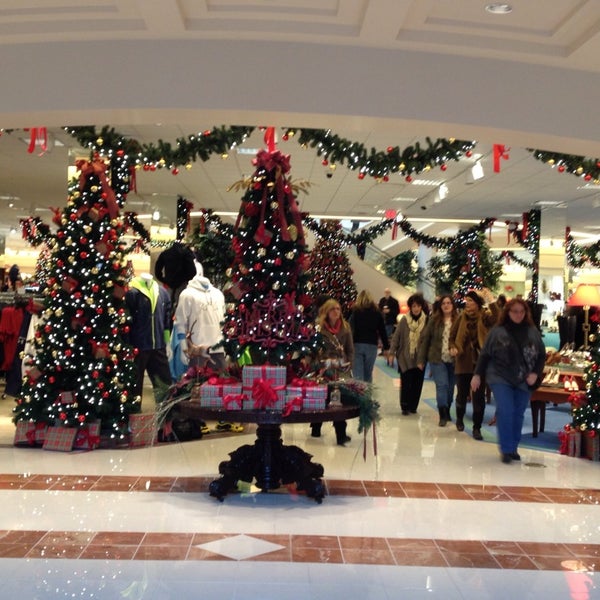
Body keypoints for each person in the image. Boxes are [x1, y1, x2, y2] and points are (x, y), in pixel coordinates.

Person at [471, 298, 545, 463]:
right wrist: (477, 375)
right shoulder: (497, 331)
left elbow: (541, 355)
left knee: (518, 413)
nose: (518, 315)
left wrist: (535, 373)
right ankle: (506, 449)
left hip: (524, 378)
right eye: (515, 311)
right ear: (507, 313)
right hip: (500, 376)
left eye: (521, 311)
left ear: (526, 313)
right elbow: (485, 354)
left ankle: (513, 447)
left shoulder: (532, 331)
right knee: (506, 410)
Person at [448, 290, 497, 439]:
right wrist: (453, 347)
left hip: (480, 362)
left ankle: (477, 427)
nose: (467, 303)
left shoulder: (485, 316)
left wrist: (492, 302)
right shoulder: (461, 317)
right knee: (462, 394)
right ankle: (460, 419)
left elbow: (498, 318)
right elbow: (452, 336)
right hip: (463, 361)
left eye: (470, 301)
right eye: (466, 300)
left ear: (477, 303)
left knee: (478, 397)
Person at [311, 298, 354, 445]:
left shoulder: (346, 327)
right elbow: (313, 350)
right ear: (326, 312)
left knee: (338, 400)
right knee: (321, 398)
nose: (336, 312)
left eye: (338, 309)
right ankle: (316, 426)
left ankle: (340, 433)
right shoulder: (319, 328)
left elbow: (350, 349)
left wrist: (350, 364)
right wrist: (316, 366)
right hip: (324, 368)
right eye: (333, 309)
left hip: (341, 368)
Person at [124, 272, 173, 402]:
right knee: (135, 385)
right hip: (138, 346)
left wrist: (167, 342)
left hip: (158, 346)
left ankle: (165, 416)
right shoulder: (132, 293)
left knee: (164, 383)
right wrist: (127, 345)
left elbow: (167, 320)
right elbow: (126, 322)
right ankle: (133, 415)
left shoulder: (162, 292)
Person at [417, 294, 458, 427]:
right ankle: (442, 414)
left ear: (453, 305)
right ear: (440, 306)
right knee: (442, 385)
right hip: (436, 358)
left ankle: (447, 409)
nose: (446, 305)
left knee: (451, 388)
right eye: (444, 303)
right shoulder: (434, 320)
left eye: (449, 303)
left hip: (454, 360)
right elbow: (425, 340)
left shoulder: (458, 320)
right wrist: (421, 360)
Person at [390, 293, 428, 415]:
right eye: (414, 306)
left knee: (417, 383)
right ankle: (405, 406)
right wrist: (391, 352)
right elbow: (396, 337)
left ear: (421, 307)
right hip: (405, 357)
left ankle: (413, 406)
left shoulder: (426, 321)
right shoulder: (404, 320)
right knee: (406, 382)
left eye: (418, 306)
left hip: (420, 358)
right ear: (410, 307)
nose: (416, 308)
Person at [349, 290, 389, 383]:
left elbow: (350, 330)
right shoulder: (377, 313)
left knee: (358, 375)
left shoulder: (355, 312)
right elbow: (383, 331)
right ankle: (367, 396)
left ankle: (359, 396)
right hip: (372, 345)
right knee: (368, 374)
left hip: (357, 344)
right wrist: (386, 348)